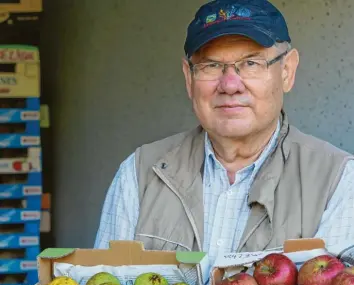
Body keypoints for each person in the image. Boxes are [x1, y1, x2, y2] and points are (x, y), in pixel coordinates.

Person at [94, 0, 354, 262]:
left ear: (287, 71)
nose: (230, 85)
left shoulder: (338, 181)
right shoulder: (140, 175)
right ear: (189, 78)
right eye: (211, 66)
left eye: (251, 63)